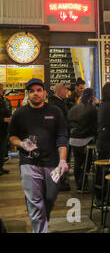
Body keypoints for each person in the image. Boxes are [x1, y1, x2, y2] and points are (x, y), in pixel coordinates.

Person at [8, 78, 68, 233]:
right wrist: (22, 144)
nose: (35, 93)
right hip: (29, 163)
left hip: (53, 164)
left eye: (38, 90)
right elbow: (12, 136)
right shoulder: (20, 113)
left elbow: (62, 136)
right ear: (27, 94)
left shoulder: (55, 111)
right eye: (32, 91)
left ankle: (41, 217)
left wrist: (63, 160)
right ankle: (40, 229)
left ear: (44, 93)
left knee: (50, 197)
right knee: (35, 202)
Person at [67, 88, 98, 192]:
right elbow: (95, 126)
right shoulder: (92, 109)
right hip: (86, 140)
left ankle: (78, 185)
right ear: (91, 97)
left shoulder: (73, 108)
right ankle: (83, 184)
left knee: (77, 162)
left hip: (73, 139)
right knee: (86, 163)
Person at [48, 82, 70, 191]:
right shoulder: (55, 103)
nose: (67, 92)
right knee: (59, 159)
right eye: (65, 89)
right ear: (60, 91)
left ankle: (59, 181)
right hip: (58, 136)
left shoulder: (59, 101)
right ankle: (58, 183)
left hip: (60, 134)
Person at [0, 84, 12, 175]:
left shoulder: (2, 100)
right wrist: (3, 119)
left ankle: (0, 167)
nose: (2, 90)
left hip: (3, 129)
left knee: (2, 150)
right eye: (1, 89)